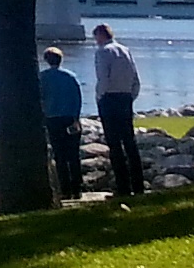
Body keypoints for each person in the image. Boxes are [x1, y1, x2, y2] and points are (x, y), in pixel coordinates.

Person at [90, 24, 146, 196]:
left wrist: (99, 97)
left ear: (100, 35)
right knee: (130, 142)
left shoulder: (102, 52)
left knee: (114, 144)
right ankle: (138, 184)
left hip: (110, 98)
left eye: (96, 37)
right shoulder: (125, 50)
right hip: (125, 97)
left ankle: (123, 186)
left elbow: (103, 78)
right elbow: (136, 78)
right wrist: (131, 96)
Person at [38, 45, 87, 198]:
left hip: (52, 119)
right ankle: (77, 188)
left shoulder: (42, 77)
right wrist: (76, 118)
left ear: (46, 60)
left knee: (59, 155)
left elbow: (40, 98)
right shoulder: (71, 77)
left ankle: (65, 189)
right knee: (73, 154)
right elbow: (78, 99)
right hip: (69, 118)